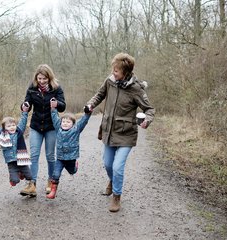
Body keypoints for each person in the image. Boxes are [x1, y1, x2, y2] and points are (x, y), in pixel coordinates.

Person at [86, 53, 155, 212]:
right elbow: (99, 95)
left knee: (117, 166)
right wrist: (90, 105)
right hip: (109, 130)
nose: (113, 72)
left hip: (126, 134)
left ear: (126, 72)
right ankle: (112, 181)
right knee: (108, 164)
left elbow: (149, 109)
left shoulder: (136, 89)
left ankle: (116, 197)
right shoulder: (110, 82)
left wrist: (147, 120)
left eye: (116, 70)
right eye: (113, 69)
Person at [22, 64, 66, 196]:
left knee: (50, 156)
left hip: (51, 126)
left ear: (49, 78)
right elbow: (26, 103)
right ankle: (32, 184)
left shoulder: (56, 88)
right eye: (39, 78)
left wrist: (57, 104)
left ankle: (51, 182)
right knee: (34, 155)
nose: (41, 81)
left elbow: (63, 106)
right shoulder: (32, 87)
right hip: (36, 126)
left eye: (44, 79)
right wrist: (25, 105)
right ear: (36, 77)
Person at [46, 100, 92, 199]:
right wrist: (53, 108)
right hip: (60, 157)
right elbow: (54, 118)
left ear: (73, 124)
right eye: (63, 121)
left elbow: (83, 121)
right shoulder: (58, 128)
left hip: (71, 158)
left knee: (72, 172)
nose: (65, 123)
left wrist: (88, 113)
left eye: (68, 122)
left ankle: (75, 167)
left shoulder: (76, 130)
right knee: (55, 173)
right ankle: (53, 191)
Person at [0, 104, 36, 197]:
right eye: (9, 126)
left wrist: (25, 112)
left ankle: (22, 173)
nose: (12, 127)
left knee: (30, 176)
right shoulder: (2, 135)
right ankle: (15, 177)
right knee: (15, 181)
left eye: (13, 125)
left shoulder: (19, 132)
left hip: (22, 160)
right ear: (4, 128)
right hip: (11, 162)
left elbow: (23, 122)